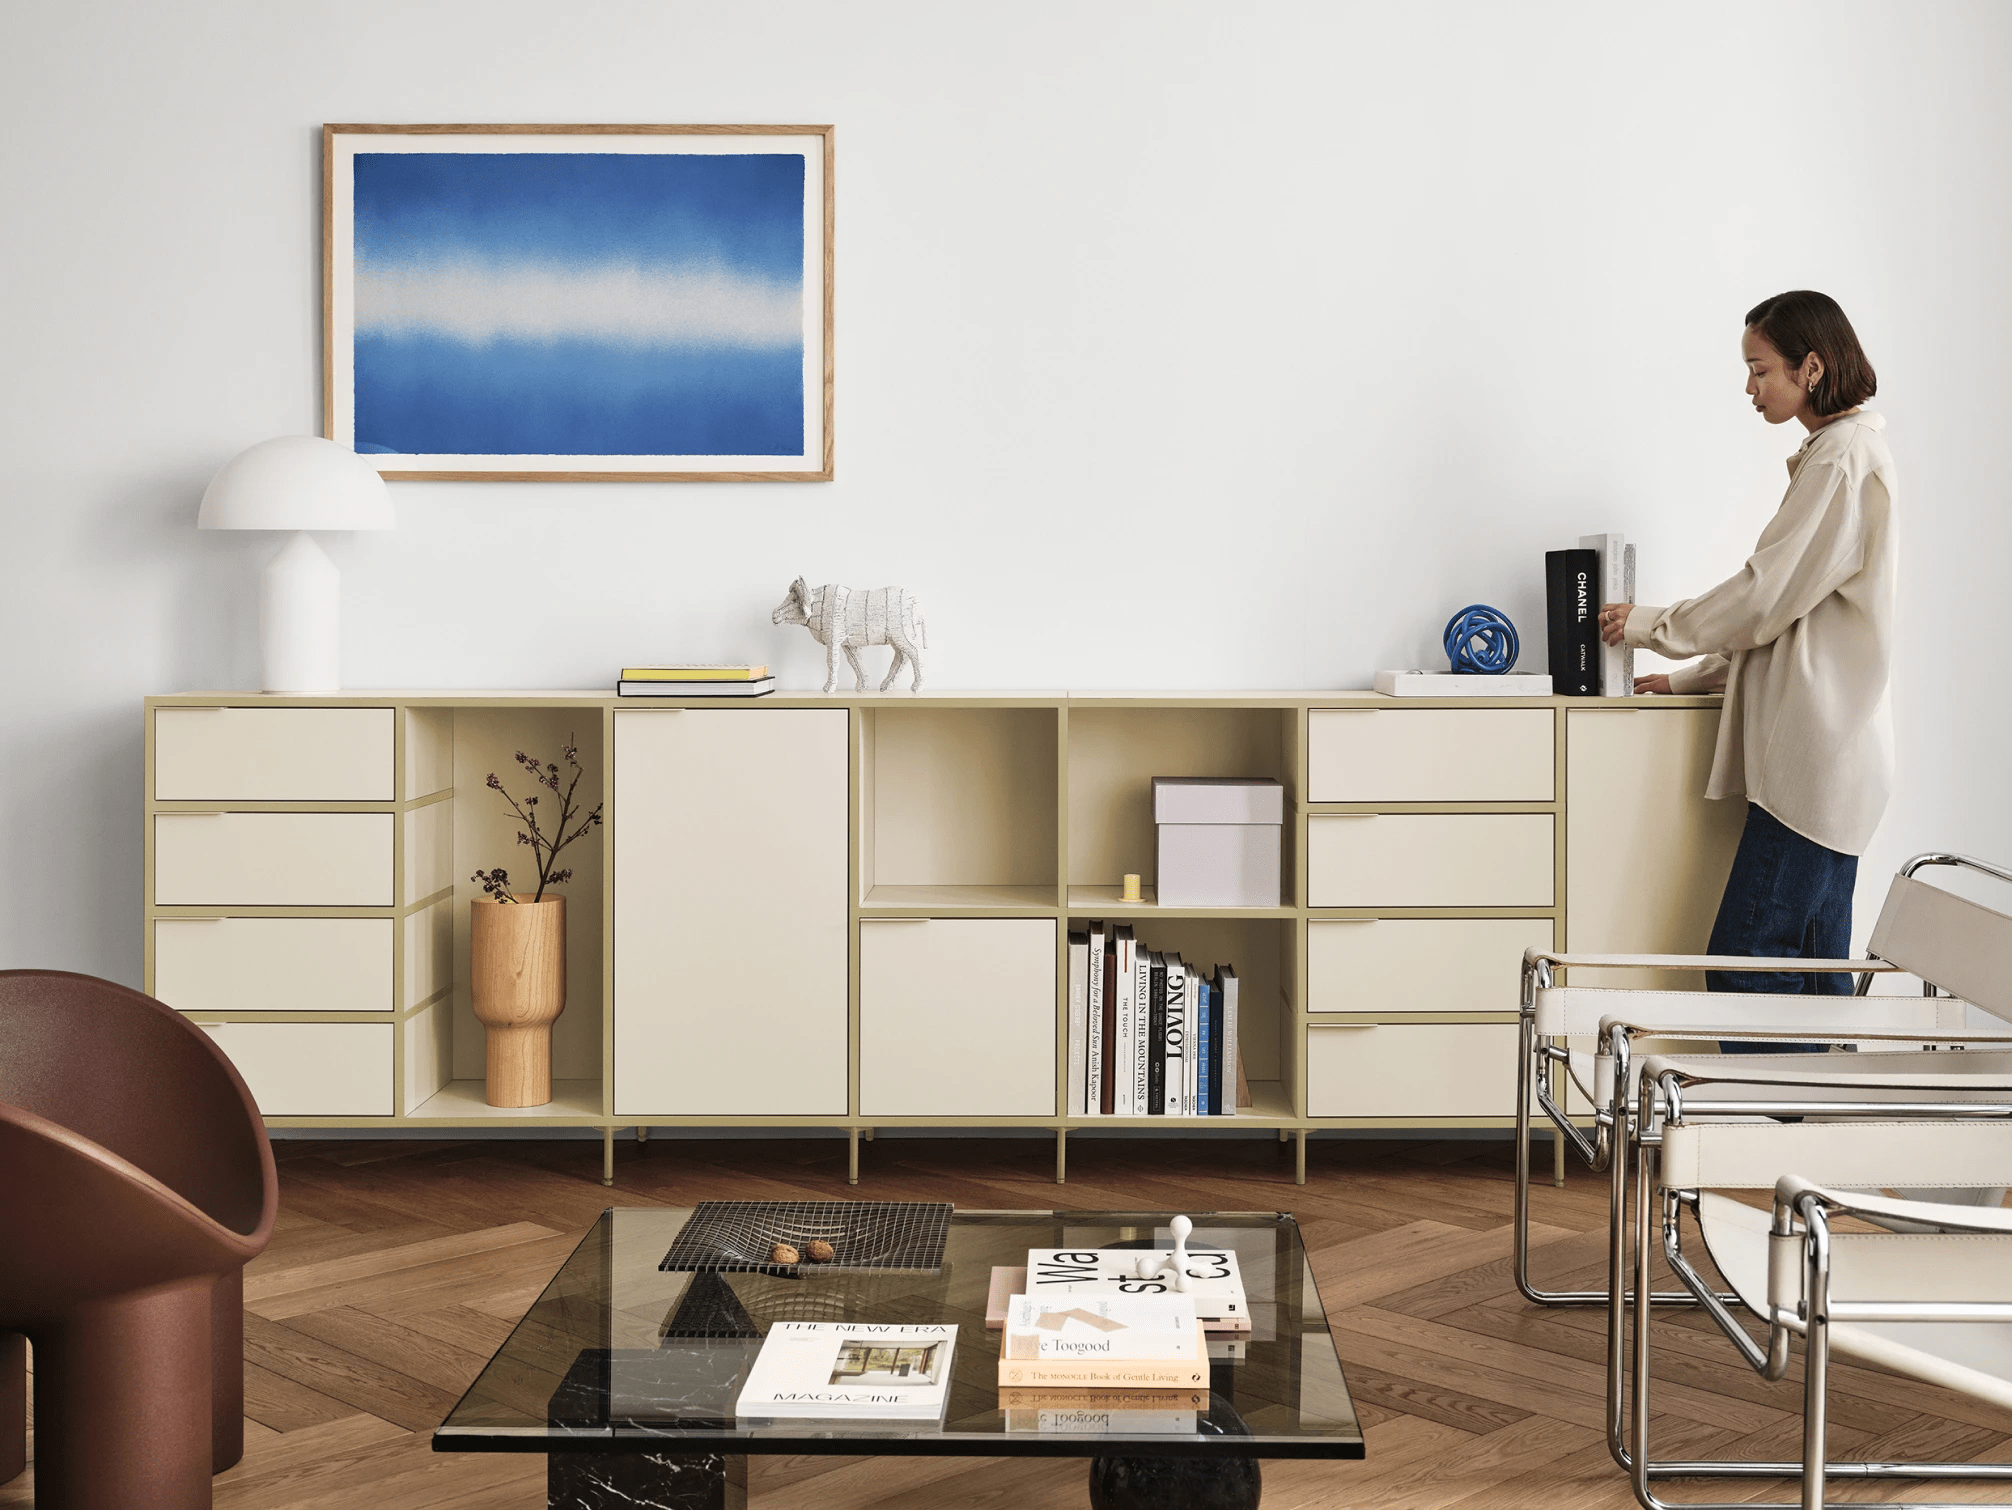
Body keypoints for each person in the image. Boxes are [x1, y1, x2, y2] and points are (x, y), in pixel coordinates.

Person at [1596, 290, 1894, 1019]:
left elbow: (1763, 597)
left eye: (1760, 370)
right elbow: (1797, 617)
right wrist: (1692, 676)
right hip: (1836, 766)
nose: (1750, 388)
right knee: (1819, 985)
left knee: (1747, 967)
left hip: (1813, 768)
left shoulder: (1841, 461)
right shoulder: (1839, 455)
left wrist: (1648, 624)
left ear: (1812, 366)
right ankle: (1818, 1129)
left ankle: (1774, 1132)